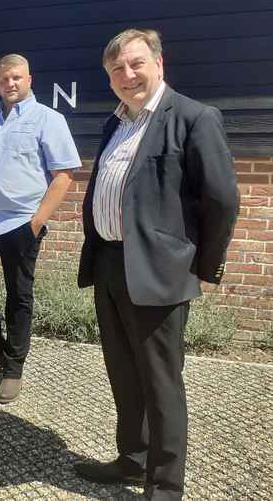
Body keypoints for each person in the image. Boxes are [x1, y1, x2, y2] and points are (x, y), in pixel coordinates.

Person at [75, 29, 239, 500]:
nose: (128, 76)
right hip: (109, 265)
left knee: (161, 385)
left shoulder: (192, 117)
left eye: (136, 64)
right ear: (109, 79)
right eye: (116, 70)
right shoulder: (116, 122)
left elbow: (222, 199)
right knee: (123, 373)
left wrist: (200, 267)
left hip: (158, 274)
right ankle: (133, 458)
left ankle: (165, 487)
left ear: (159, 63)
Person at [0, 54, 81, 404]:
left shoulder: (48, 120)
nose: (10, 84)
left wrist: (36, 221)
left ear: (29, 79)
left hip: (18, 225)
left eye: (16, 78)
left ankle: (13, 368)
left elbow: (64, 175)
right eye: (4, 80)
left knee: (18, 295)